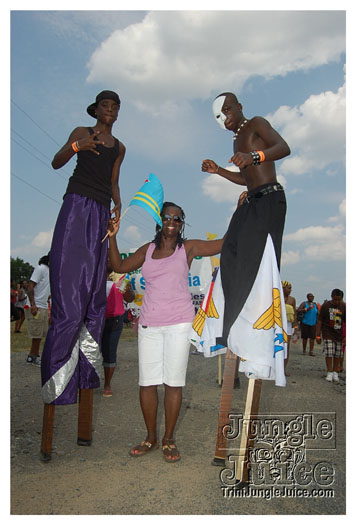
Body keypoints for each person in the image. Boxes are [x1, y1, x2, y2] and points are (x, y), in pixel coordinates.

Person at [107, 201, 225, 462]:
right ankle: (150, 436)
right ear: (159, 221)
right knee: (147, 383)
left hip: (179, 324)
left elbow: (226, 242)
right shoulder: (147, 250)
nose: (172, 222)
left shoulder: (188, 248)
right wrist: (112, 237)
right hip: (149, 324)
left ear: (182, 223)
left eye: (177, 218)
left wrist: (242, 210)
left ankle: (169, 438)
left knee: (173, 383)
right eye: (167, 217)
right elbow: (117, 265)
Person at [41, 90, 126, 405]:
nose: (110, 109)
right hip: (77, 206)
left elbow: (114, 181)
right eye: (106, 105)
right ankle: (56, 387)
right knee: (69, 289)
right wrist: (79, 146)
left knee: (93, 288)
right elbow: (56, 162)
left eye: (115, 106)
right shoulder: (82, 132)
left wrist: (117, 204)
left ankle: (86, 380)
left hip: (101, 211)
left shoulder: (120, 147)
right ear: (96, 110)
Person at [202, 92, 290, 346]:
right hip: (252, 200)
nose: (225, 117)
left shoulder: (255, 124)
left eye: (228, 109)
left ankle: (255, 332)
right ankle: (230, 330)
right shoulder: (236, 140)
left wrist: (254, 156)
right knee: (230, 254)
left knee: (257, 262)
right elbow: (248, 178)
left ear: (239, 107)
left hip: (270, 199)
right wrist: (218, 170)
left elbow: (284, 148)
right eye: (220, 115)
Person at [101, 262, 135, 397]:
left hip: (115, 319)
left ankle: (107, 383)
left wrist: (127, 288)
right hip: (95, 320)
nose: (108, 259)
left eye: (111, 257)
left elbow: (130, 297)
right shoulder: (94, 274)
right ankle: (87, 382)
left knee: (110, 351)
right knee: (90, 349)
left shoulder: (122, 277)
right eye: (106, 257)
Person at [25, 255, 50, 366]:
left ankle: (34, 355)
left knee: (40, 334)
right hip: (37, 306)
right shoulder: (41, 269)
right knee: (36, 334)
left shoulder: (50, 271)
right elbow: (30, 286)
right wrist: (33, 305)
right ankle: (32, 356)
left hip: (43, 306)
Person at [316, 289, 346, 383]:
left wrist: (345, 336)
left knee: (338, 354)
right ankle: (329, 371)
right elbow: (320, 320)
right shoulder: (326, 306)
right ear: (331, 296)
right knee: (329, 352)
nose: (337, 302)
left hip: (339, 334)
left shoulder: (343, 306)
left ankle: (335, 372)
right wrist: (318, 335)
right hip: (327, 332)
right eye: (335, 299)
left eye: (339, 300)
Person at [282, 281, 298, 376]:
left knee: (286, 347)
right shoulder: (276, 296)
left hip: (287, 325)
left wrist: (295, 327)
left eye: (291, 288)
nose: (290, 290)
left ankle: (283, 369)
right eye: (288, 288)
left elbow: (294, 314)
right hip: (277, 325)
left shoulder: (292, 300)